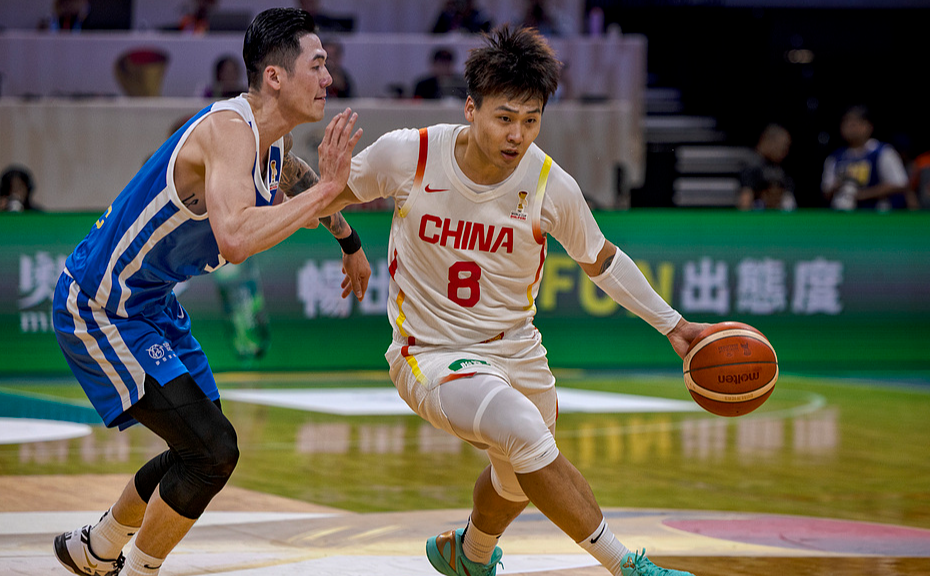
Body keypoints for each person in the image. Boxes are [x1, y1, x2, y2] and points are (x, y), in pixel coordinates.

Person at [321, 25, 704, 576]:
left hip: (519, 350)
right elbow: (321, 196)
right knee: (524, 435)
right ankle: (628, 567)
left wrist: (675, 327)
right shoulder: (411, 154)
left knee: (516, 477)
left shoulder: (550, 183)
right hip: (428, 352)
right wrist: (346, 238)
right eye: (504, 118)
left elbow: (602, 260)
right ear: (472, 108)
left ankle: (469, 555)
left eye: (531, 121)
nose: (517, 136)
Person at [50, 8, 368, 576]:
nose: (328, 78)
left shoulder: (271, 144)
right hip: (102, 304)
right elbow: (238, 237)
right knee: (212, 450)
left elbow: (292, 177)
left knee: (196, 449)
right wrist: (328, 193)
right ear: (275, 76)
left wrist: (348, 238)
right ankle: (139, 568)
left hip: (151, 305)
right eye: (317, 65)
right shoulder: (227, 131)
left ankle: (95, 549)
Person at [821, 105, 912, 211]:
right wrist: (840, 187)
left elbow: (900, 184)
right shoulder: (835, 157)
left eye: (855, 124)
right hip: (843, 213)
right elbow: (826, 191)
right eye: (846, 123)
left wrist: (863, 195)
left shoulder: (882, 152)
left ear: (868, 126)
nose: (850, 128)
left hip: (877, 213)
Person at [737, 123, 796, 211]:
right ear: (769, 141)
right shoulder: (752, 164)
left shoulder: (777, 165)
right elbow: (745, 200)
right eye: (783, 147)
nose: (785, 152)